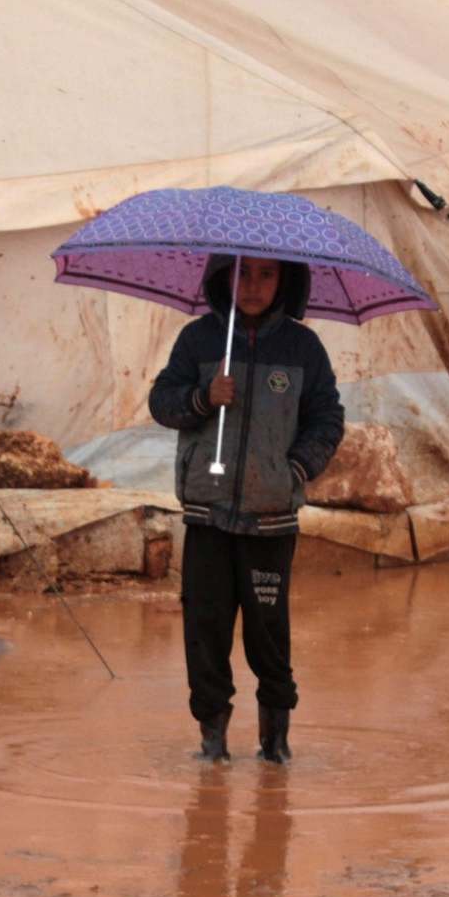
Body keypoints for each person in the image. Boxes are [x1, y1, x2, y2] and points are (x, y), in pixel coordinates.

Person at [149, 254, 343, 764]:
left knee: (268, 636)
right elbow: (161, 402)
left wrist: (294, 472)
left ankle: (274, 745)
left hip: (271, 521)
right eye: (242, 273)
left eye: (265, 274)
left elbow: (327, 419)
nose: (252, 285)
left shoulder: (303, 348)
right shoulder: (199, 340)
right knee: (204, 633)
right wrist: (202, 397)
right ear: (222, 276)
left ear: (285, 280)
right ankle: (212, 745)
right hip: (207, 517)